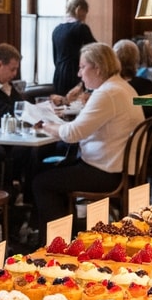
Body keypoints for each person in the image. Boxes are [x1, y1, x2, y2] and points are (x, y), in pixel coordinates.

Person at [30, 43, 141, 231]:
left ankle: (60, 239)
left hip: (106, 173)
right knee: (45, 170)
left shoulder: (107, 93)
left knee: (41, 182)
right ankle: (58, 230)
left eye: (82, 67)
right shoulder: (122, 87)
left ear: (97, 67)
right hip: (120, 168)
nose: (79, 74)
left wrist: (45, 125)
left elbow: (73, 134)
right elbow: (78, 129)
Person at [51, 0, 95, 96]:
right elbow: (96, 51)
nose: (84, 18)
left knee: (62, 107)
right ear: (78, 9)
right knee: (76, 106)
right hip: (75, 75)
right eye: (84, 14)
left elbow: (55, 57)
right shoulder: (80, 28)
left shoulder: (56, 30)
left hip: (58, 75)